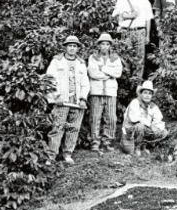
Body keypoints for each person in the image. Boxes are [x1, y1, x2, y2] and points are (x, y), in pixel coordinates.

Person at [45, 35, 91, 164]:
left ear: (77, 48)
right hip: (62, 101)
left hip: (76, 103)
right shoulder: (57, 61)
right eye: (70, 45)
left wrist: (83, 99)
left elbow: (85, 83)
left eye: (74, 46)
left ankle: (67, 154)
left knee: (73, 128)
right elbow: (50, 79)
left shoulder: (81, 63)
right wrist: (56, 95)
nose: (72, 48)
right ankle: (51, 156)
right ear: (65, 47)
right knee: (57, 128)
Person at [111, 0, 154, 80]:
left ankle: (136, 83)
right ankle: (126, 83)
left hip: (140, 31)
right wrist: (127, 16)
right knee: (125, 58)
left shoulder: (144, 1)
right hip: (126, 31)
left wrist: (147, 35)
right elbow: (115, 16)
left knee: (139, 59)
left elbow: (148, 19)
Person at [87, 33, 123, 152]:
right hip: (96, 91)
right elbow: (93, 74)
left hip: (111, 91)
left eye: (107, 44)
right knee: (95, 117)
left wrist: (103, 69)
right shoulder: (93, 57)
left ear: (110, 46)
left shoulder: (115, 58)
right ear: (99, 45)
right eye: (102, 44)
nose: (105, 46)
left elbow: (118, 73)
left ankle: (107, 141)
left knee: (111, 118)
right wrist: (109, 75)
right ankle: (95, 142)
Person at [121, 81, 169, 157]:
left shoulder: (152, 106)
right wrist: (150, 125)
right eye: (145, 93)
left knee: (164, 132)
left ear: (152, 95)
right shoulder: (135, 102)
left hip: (143, 129)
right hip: (129, 131)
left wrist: (156, 127)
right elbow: (135, 119)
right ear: (141, 94)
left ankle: (144, 145)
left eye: (150, 93)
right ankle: (137, 147)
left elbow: (159, 119)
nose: (147, 95)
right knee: (140, 126)